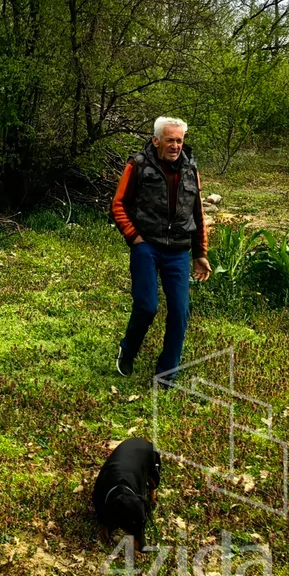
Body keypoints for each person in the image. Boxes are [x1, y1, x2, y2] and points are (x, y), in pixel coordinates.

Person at [110, 117, 211, 384]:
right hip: (147, 245)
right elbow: (118, 205)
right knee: (147, 306)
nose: (176, 145)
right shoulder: (138, 165)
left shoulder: (191, 169)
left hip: (178, 250)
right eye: (170, 140)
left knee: (180, 311)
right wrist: (135, 237)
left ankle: (167, 372)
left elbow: (198, 213)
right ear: (156, 141)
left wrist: (200, 253)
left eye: (180, 140)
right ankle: (128, 350)